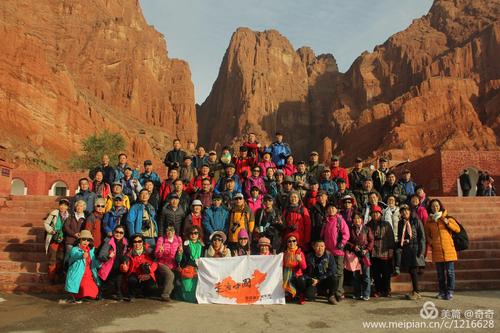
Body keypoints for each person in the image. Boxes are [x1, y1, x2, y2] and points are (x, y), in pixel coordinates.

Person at [425, 199, 460, 300]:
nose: (435, 208)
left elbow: (457, 229)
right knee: (440, 274)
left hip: (449, 248)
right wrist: (431, 242)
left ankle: (450, 291)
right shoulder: (429, 221)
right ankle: (441, 291)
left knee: (450, 272)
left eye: (437, 206)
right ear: (430, 208)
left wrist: (447, 223)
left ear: (440, 206)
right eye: (433, 206)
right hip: (437, 250)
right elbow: (427, 235)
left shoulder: (447, 217)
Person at [395, 205, 426, 300]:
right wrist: (402, 241)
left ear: (409, 211)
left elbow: (422, 237)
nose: (404, 213)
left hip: (415, 248)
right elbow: (401, 235)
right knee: (411, 271)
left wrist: (421, 251)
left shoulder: (416, 221)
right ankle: (415, 291)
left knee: (413, 270)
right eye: (402, 211)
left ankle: (416, 292)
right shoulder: (401, 223)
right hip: (407, 249)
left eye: (406, 211)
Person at [320, 203, 349, 302]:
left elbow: (346, 233)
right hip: (328, 252)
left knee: (339, 272)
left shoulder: (340, 220)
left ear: (336, 210)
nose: (331, 210)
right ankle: (331, 291)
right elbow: (322, 235)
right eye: (329, 208)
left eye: (333, 208)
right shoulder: (326, 221)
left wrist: (341, 244)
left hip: (338, 251)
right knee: (328, 272)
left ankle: (339, 292)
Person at [366, 205, 395, 297]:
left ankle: (386, 290)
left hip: (384, 251)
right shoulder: (368, 225)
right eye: (373, 213)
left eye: (377, 213)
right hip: (373, 252)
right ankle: (378, 290)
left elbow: (391, 237)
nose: (375, 215)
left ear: (380, 214)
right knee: (376, 273)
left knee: (386, 273)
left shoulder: (386, 224)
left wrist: (391, 249)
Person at [65, 230, 100, 303]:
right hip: (78, 274)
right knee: (83, 289)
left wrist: (101, 263)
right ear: (80, 240)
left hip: (89, 274)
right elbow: (74, 255)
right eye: (84, 239)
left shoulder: (91, 250)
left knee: (94, 293)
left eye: (88, 240)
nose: (86, 241)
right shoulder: (75, 249)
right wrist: (81, 255)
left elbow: (94, 262)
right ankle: (77, 296)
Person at [345, 211, 373, 301]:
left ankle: (366, 293)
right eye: (355, 218)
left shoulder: (367, 229)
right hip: (354, 254)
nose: (357, 220)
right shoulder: (351, 229)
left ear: (361, 219)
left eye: (358, 218)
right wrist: (353, 246)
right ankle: (357, 293)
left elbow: (371, 241)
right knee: (355, 275)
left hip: (365, 254)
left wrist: (367, 249)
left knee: (366, 275)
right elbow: (347, 241)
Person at [122, 234, 158, 301]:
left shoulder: (149, 251)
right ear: (132, 243)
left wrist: (150, 272)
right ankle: (132, 295)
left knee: (151, 287)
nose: (137, 243)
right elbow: (125, 266)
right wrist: (124, 268)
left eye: (139, 241)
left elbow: (155, 262)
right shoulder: (129, 253)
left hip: (147, 273)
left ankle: (143, 292)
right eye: (135, 242)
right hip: (135, 274)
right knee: (132, 280)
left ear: (142, 242)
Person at [98, 225, 128, 301]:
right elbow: (101, 255)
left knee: (119, 276)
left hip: (119, 265)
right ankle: (101, 292)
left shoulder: (125, 242)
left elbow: (125, 255)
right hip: (109, 265)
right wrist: (108, 256)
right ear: (114, 232)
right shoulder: (108, 241)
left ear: (124, 234)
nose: (119, 234)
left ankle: (118, 292)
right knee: (109, 282)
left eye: (121, 233)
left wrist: (125, 261)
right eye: (117, 232)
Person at [44, 198, 71, 284]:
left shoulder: (69, 216)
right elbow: (46, 223)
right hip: (54, 238)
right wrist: (51, 230)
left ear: (67, 207)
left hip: (63, 239)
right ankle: (51, 278)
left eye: (65, 205)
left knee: (60, 258)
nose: (62, 207)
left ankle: (58, 277)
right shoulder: (54, 214)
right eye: (61, 205)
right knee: (52, 258)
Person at [304, 240, 337, 304]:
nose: (320, 248)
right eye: (317, 246)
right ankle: (321, 292)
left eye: (322, 246)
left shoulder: (329, 255)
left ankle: (331, 296)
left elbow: (332, 270)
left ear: (325, 247)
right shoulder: (309, 256)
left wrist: (319, 279)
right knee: (309, 296)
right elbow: (305, 272)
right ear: (313, 247)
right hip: (314, 281)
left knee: (334, 278)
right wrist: (311, 279)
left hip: (325, 279)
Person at [155, 224, 182, 302]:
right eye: (168, 230)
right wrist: (160, 252)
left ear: (174, 231)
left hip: (174, 263)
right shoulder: (161, 239)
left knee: (176, 280)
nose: (170, 232)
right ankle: (165, 295)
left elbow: (179, 255)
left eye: (172, 230)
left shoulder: (178, 239)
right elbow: (156, 255)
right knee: (170, 275)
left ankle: (173, 294)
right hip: (162, 262)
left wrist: (180, 253)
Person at [176, 225, 204, 303]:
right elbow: (179, 260)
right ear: (188, 234)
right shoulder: (185, 245)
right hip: (187, 270)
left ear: (198, 234)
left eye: (195, 233)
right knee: (188, 291)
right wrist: (179, 253)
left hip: (198, 271)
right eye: (191, 233)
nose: (193, 235)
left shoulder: (202, 245)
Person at [282, 233, 307, 304]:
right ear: (287, 243)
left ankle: (301, 295)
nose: (292, 243)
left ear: (296, 242)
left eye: (294, 241)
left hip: (297, 277)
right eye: (289, 241)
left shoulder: (300, 253)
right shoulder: (285, 254)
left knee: (302, 279)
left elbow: (304, 267)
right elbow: (282, 266)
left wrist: (300, 261)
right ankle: (291, 294)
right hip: (287, 277)